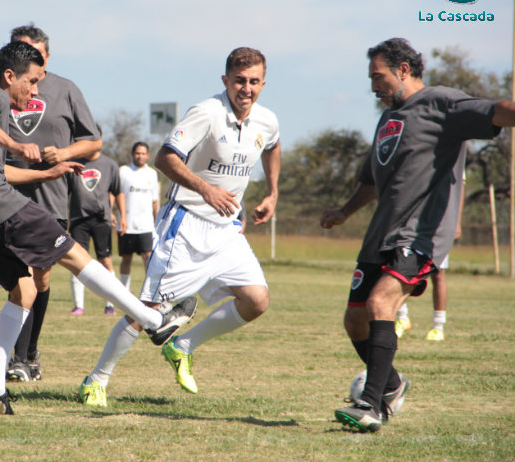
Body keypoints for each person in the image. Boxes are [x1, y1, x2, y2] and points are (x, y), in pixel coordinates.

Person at [0, 40, 198, 415]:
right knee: (74, 253)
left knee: (24, 289)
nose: (35, 90)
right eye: (30, 82)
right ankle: (153, 319)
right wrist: (13, 141)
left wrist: (46, 172)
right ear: (9, 76)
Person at [320, 37, 514, 433]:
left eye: (378, 76)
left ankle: (372, 406)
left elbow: (495, 111)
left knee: (381, 302)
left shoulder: (442, 102)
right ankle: (391, 384)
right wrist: (343, 211)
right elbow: (371, 182)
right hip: (380, 233)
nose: (373, 85)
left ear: (403, 70)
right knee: (355, 321)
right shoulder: (388, 118)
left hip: (420, 232)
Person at [79, 47, 280, 407]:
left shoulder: (267, 121)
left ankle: (183, 345)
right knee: (146, 312)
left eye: (253, 82)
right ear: (225, 81)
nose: (246, 89)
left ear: (263, 83)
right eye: (239, 81)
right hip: (185, 224)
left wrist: (273, 192)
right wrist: (206, 189)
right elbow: (164, 158)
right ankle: (96, 380)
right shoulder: (207, 112)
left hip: (227, 229)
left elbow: (272, 147)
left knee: (257, 300)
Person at [4, 24, 102, 383]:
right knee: (20, 278)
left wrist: (63, 152)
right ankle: (18, 356)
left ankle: (28, 354)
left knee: (40, 279)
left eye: (37, 54)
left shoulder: (66, 90)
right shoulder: (1, 90)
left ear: (48, 57)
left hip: (50, 200)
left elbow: (93, 143)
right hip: (6, 197)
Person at [396, 183, 463, 341]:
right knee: (399, 270)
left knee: (438, 274)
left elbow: (459, 188)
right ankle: (402, 318)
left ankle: (438, 327)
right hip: (411, 222)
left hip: (438, 223)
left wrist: (456, 221)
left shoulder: (452, 159)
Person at [67, 141, 125, 315]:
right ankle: (78, 305)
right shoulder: (74, 163)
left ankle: (110, 304)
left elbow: (118, 191)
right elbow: (64, 192)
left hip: (101, 219)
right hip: (78, 219)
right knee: (76, 260)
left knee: (105, 260)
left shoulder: (110, 165)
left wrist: (123, 216)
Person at [116, 142, 159, 290]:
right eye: (137, 153)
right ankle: (124, 292)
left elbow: (155, 201)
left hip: (146, 225)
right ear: (132, 154)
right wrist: (118, 216)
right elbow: (116, 194)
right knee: (126, 259)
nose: (140, 156)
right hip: (126, 225)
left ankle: (149, 291)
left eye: (143, 153)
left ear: (147, 155)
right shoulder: (123, 171)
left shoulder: (152, 173)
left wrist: (158, 222)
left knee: (148, 258)